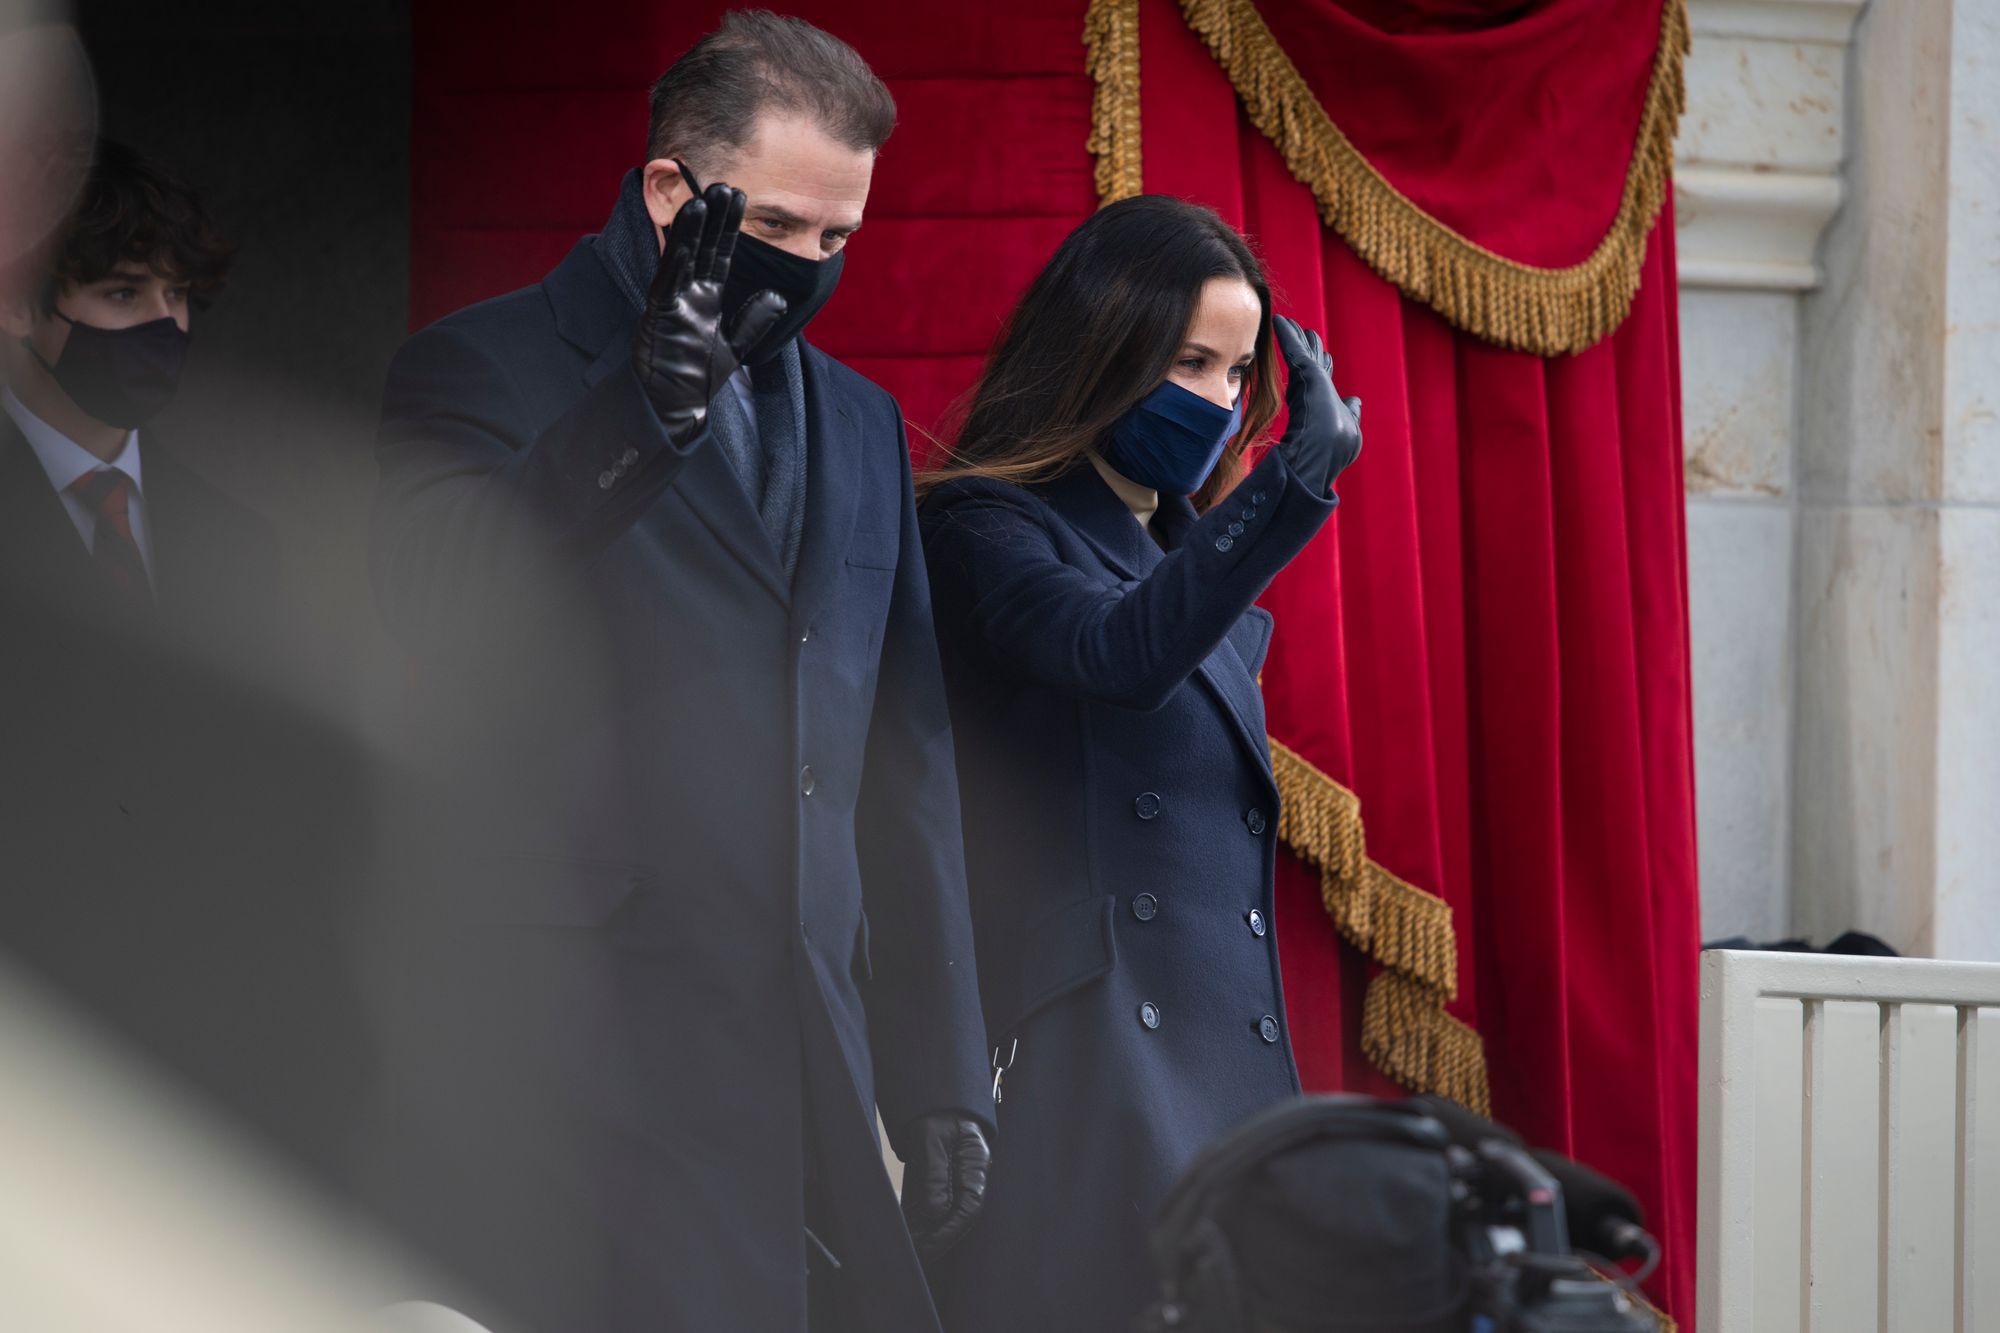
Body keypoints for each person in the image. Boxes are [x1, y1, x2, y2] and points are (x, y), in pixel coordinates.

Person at [364, 13, 991, 1332]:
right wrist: (635, 419)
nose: (812, 268)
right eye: (779, 227)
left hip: (811, 1066)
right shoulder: (478, 366)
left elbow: (904, 761)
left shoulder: (868, 425)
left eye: (838, 239)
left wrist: (939, 1070)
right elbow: (445, 600)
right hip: (585, 1059)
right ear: (672, 193)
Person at [915, 195, 1364, 1333]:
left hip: (1211, 1063)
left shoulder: (1180, 563)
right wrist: (1285, 489)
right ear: (1100, 351)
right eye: (1187, 361)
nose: (1215, 400)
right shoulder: (986, 524)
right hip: (1091, 1053)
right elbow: (1115, 653)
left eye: (1234, 372)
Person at [0, 138, 369, 1183]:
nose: (165, 324)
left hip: (225, 1087)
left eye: (179, 294)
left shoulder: (240, 537)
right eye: (122, 291)